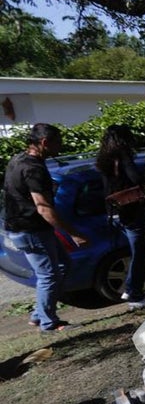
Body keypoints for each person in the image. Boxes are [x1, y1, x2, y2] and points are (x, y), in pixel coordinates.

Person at [3, 123, 89, 331]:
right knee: (48, 275)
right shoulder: (33, 169)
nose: (60, 146)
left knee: (62, 265)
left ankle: (38, 315)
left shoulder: (18, 159)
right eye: (57, 142)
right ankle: (49, 323)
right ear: (44, 143)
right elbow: (43, 207)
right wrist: (73, 234)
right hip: (31, 230)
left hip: (23, 227)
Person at [95, 124, 145, 309]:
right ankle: (134, 294)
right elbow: (134, 177)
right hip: (130, 210)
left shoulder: (103, 159)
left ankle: (130, 288)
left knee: (133, 252)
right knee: (140, 253)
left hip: (114, 211)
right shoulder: (123, 155)